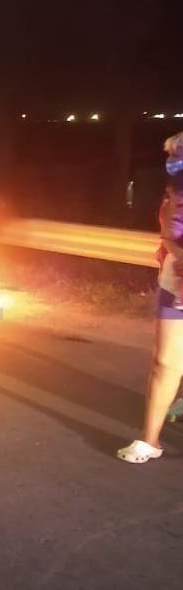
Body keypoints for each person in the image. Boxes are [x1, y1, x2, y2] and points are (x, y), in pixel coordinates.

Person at [118, 131, 183, 463]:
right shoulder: (175, 190)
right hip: (179, 280)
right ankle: (150, 440)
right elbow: (169, 231)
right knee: (165, 363)